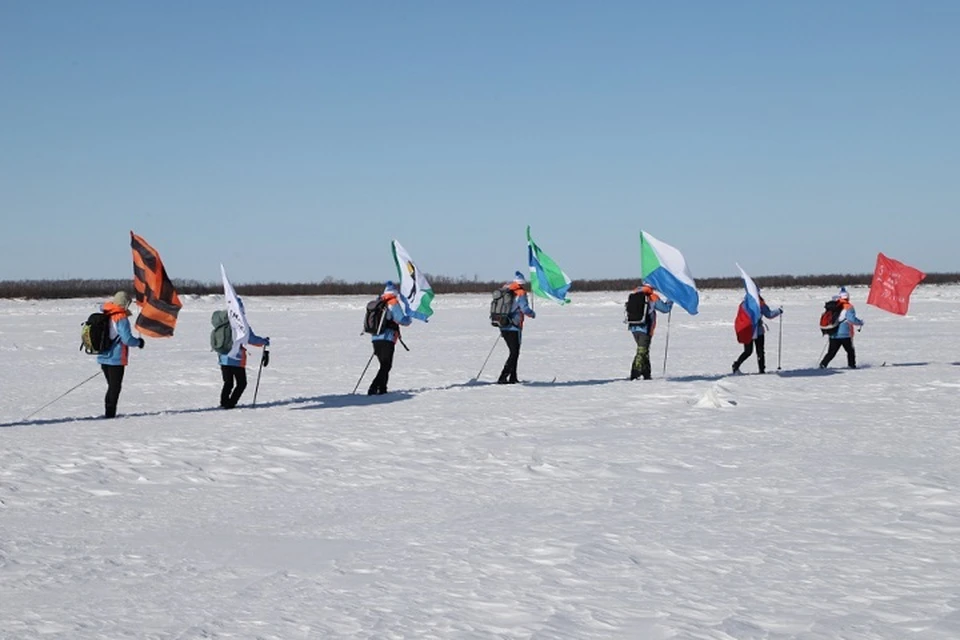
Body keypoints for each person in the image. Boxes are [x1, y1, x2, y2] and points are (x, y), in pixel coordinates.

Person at [96, 291, 144, 418]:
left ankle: (109, 412)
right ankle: (110, 414)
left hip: (103, 356)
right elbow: (127, 339)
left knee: (111, 386)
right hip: (116, 358)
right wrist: (138, 342)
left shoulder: (107, 312)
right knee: (114, 387)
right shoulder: (120, 317)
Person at [217, 299, 270, 409]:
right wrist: (264, 342)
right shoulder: (240, 323)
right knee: (241, 383)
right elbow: (251, 339)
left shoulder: (223, 322)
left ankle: (224, 402)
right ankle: (230, 404)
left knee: (228, 382)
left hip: (223, 357)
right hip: (236, 359)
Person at [368, 281, 413, 395]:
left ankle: (382, 389)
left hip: (375, 338)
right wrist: (409, 318)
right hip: (387, 338)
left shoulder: (379, 301)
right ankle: (373, 387)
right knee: (386, 365)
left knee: (384, 365)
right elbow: (401, 319)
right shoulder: (392, 302)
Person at [627, 282, 673, 380]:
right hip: (645, 328)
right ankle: (635, 373)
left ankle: (646, 373)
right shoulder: (652, 297)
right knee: (642, 351)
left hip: (634, 327)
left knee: (644, 350)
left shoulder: (634, 294)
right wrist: (671, 299)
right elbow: (665, 309)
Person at [496, 271, 536, 384]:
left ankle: (513, 377)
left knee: (514, 352)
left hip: (502, 324)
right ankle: (503, 377)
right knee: (514, 352)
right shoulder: (520, 293)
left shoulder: (505, 289)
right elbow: (525, 309)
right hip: (514, 326)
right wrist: (532, 314)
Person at [732, 295, 783, 374]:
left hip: (747, 330)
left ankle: (736, 365)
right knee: (760, 351)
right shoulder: (760, 303)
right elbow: (769, 314)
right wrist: (779, 311)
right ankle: (761, 370)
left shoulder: (744, 304)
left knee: (748, 351)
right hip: (757, 331)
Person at [820, 288, 864, 369]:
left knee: (831, 352)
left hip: (833, 333)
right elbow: (851, 319)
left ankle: (823, 365)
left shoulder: (835, 306)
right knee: (850, 351)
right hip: (845, 334)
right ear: (848, 297)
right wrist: (860, 322)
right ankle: (851, 366)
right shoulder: (849, 307)